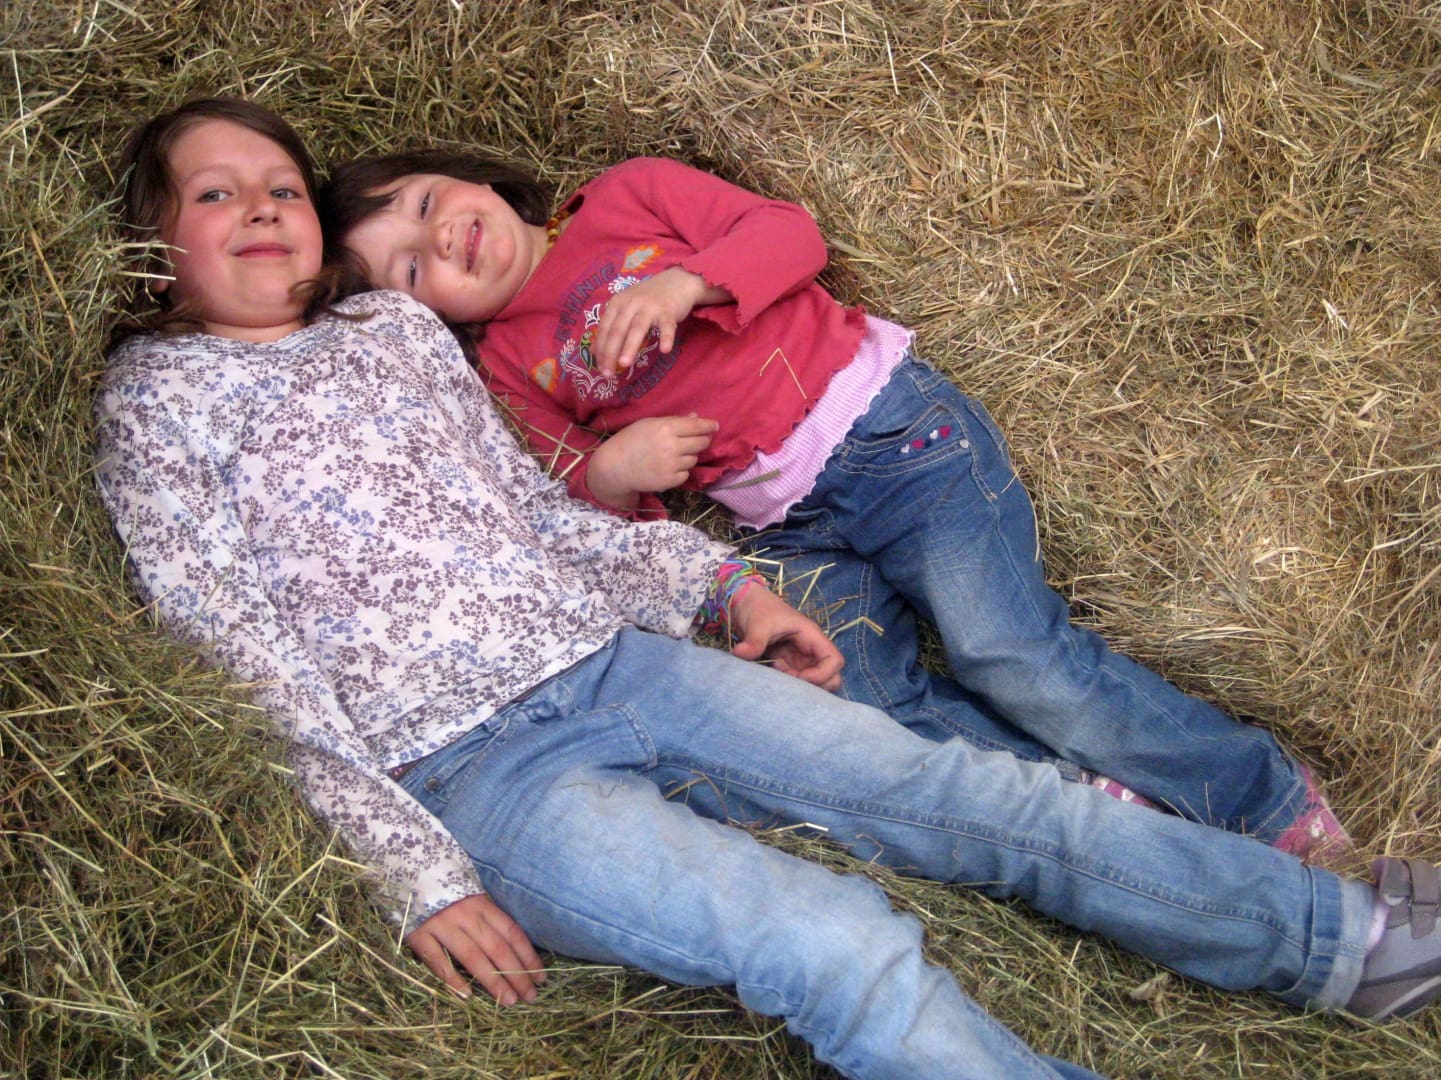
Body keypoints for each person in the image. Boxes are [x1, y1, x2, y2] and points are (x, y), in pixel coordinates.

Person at [95, 96, 1441, 1080]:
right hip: (472, 773)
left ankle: (1344, 940)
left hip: (619, 662)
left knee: (972, 795)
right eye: (215, 194)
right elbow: (231, 657)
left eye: (279, 185)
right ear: (153, 247)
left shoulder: (394, 334)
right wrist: (414, 874)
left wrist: (722, 591)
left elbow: (532, 519)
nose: (259, 206)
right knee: (828, 939)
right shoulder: (156, 404)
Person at [319, 151, 1347, 856]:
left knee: (1007, 651)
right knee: (862, 697)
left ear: (468, 176)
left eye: (424, 201)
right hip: (790, 528)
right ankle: (1091, 804)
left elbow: (786, 235)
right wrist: (613, 470)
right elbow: (578, 507)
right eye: (410, 267)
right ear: (419, 320)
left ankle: (1258, 797)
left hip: (893, 437)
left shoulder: (624, 198)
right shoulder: (506, 367)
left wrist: (684, 287)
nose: (440, 238)